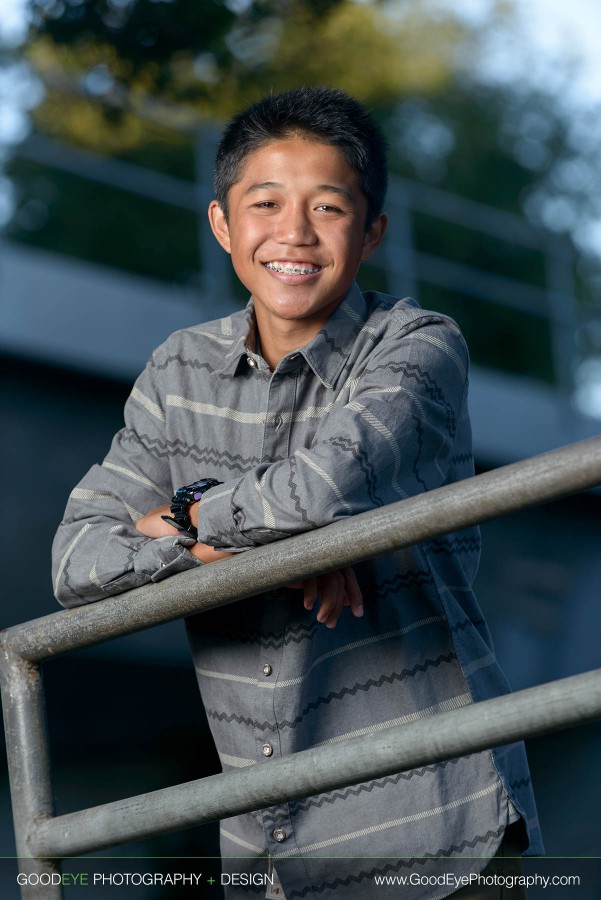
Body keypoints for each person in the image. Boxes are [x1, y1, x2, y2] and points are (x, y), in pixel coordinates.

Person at [52, 85, 542, 898]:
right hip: (266, 847)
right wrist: (249, 548)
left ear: (372, 231)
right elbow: (74, 562)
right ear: (221, 224)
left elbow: (320, 492)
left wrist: (177, 519)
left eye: (328, 208)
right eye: (265, 203)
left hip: (435, 830)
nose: (294, 234)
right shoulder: (178, 369)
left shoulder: (417, 346)